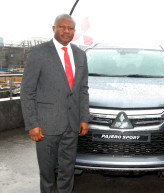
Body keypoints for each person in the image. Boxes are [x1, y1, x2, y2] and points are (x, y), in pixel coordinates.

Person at [21, 14, 90, 193]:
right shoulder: (38, 53)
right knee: (47, 173)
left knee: (67, 171)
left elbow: (82, 89)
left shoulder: (80, 55)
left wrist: (84, 118)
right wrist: (32, 124)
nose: (66, 31)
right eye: (62, 27)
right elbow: (28, 91)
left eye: (70, 28)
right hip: (45, 126)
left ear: (74, 31)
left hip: (72, 125)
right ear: (54, 29)